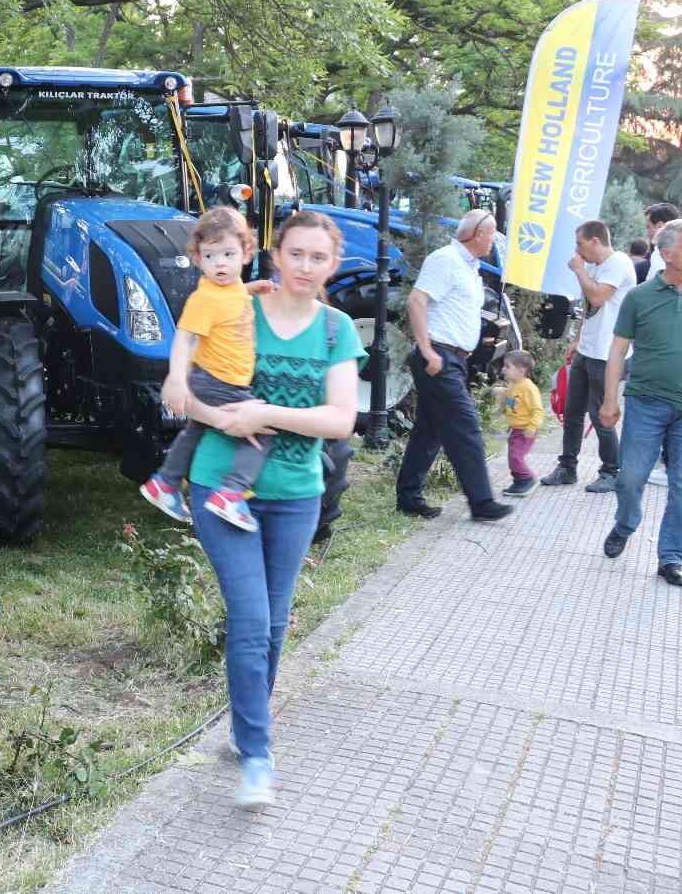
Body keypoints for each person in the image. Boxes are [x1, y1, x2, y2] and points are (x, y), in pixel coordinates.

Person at [174, 209, 362, 809]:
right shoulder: (237, 308)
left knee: (275, 624)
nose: (306, 267)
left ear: (332, 265)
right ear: (274, 256)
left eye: (319, 257)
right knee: (252, 622)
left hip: (296, 494)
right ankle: (257, 754)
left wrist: (266, 415)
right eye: (296, 254)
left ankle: (243, 722)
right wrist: (227, 417)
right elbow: (183, 393)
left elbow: (340, 420)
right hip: (219, 486)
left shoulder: (336, 331)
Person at [600, 219, 682, 587]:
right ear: (666, 253)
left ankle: (671, 557)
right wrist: (610, 400)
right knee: (629, 479)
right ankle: (627, 522)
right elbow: (617, 350)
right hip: (645, 403)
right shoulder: (640, 297)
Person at [140, 207, 274, 531]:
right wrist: (175, 379)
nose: (221, 264)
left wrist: (252, 288)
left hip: (215, 379)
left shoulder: (229, 289)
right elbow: (184, 339)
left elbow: (233, 295)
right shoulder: (204, 298)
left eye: (228, 254)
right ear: (198, 259)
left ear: (246, 254)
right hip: (220, 382)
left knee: (195, 431)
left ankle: (165, 482)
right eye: (211, 256)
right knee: (261, 432)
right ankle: (231, 493)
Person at [395, 209, 514, 522]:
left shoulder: (468, 266)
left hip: (452, 358)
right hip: (438, 356)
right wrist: (427, 350)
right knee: (466, 428)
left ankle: (409, 497)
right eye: (492, 233)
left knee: (430, 431)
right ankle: (482, 502)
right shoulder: (446, 259)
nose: (495, 240)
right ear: (476, 234)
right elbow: (416, 301)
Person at [540, 220, 637, 492]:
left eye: (580, 244)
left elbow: (597, 298)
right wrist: (579, 338)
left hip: (608, 354)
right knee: (572, 412)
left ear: (595, 241)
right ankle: (567, 467)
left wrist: (580, 271)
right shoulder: (594, 265)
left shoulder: (618, 263)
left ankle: (610, 471)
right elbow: (589, 309)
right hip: (587, 349)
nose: (577, 251)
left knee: (601, 414)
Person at [497, 349, 543, 496]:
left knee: (516, 457)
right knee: (512, 456)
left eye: (507, 366)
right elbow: (513, 402)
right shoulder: (513, 385)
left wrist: (532, 427)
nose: (503, 369)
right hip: (515, 429)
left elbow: (538, 410)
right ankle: (519, 482)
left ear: (521, 370)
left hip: (525, 430)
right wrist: (502, 395)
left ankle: (527, 479)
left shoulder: (528, 388)